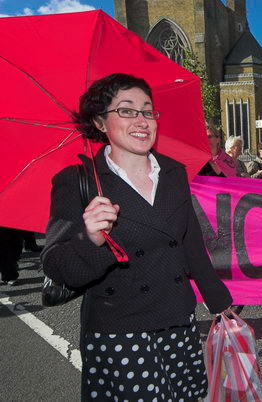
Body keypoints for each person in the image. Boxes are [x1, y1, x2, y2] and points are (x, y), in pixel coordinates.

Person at [41, 73, 232, 401]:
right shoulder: (79, 181)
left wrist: (219, 301)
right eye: (126, 111)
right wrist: (91, 238)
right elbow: (57, 266)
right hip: (121, 331)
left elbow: (189, 244)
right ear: (101, 122)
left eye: (147, 111)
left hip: (178, 319)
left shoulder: (173, 173)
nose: (141, 120)